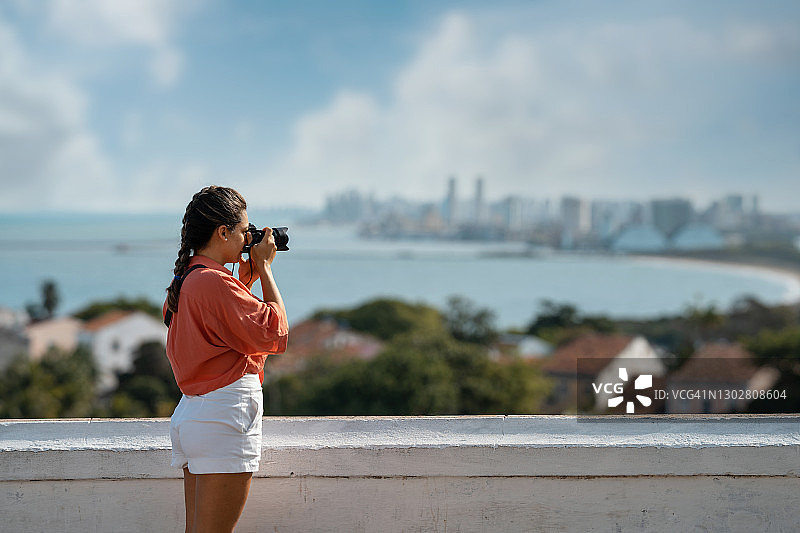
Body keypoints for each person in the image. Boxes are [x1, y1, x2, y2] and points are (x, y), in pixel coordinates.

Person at [163, 185, 288, 533]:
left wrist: (245, 273)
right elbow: (275, 332)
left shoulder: (191, 277)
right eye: (243, 230)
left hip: (196, 416)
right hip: (224, 415)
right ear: (222, 232)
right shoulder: (213, 282)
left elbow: (225, 314)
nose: (248, 236)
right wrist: (264, 268)